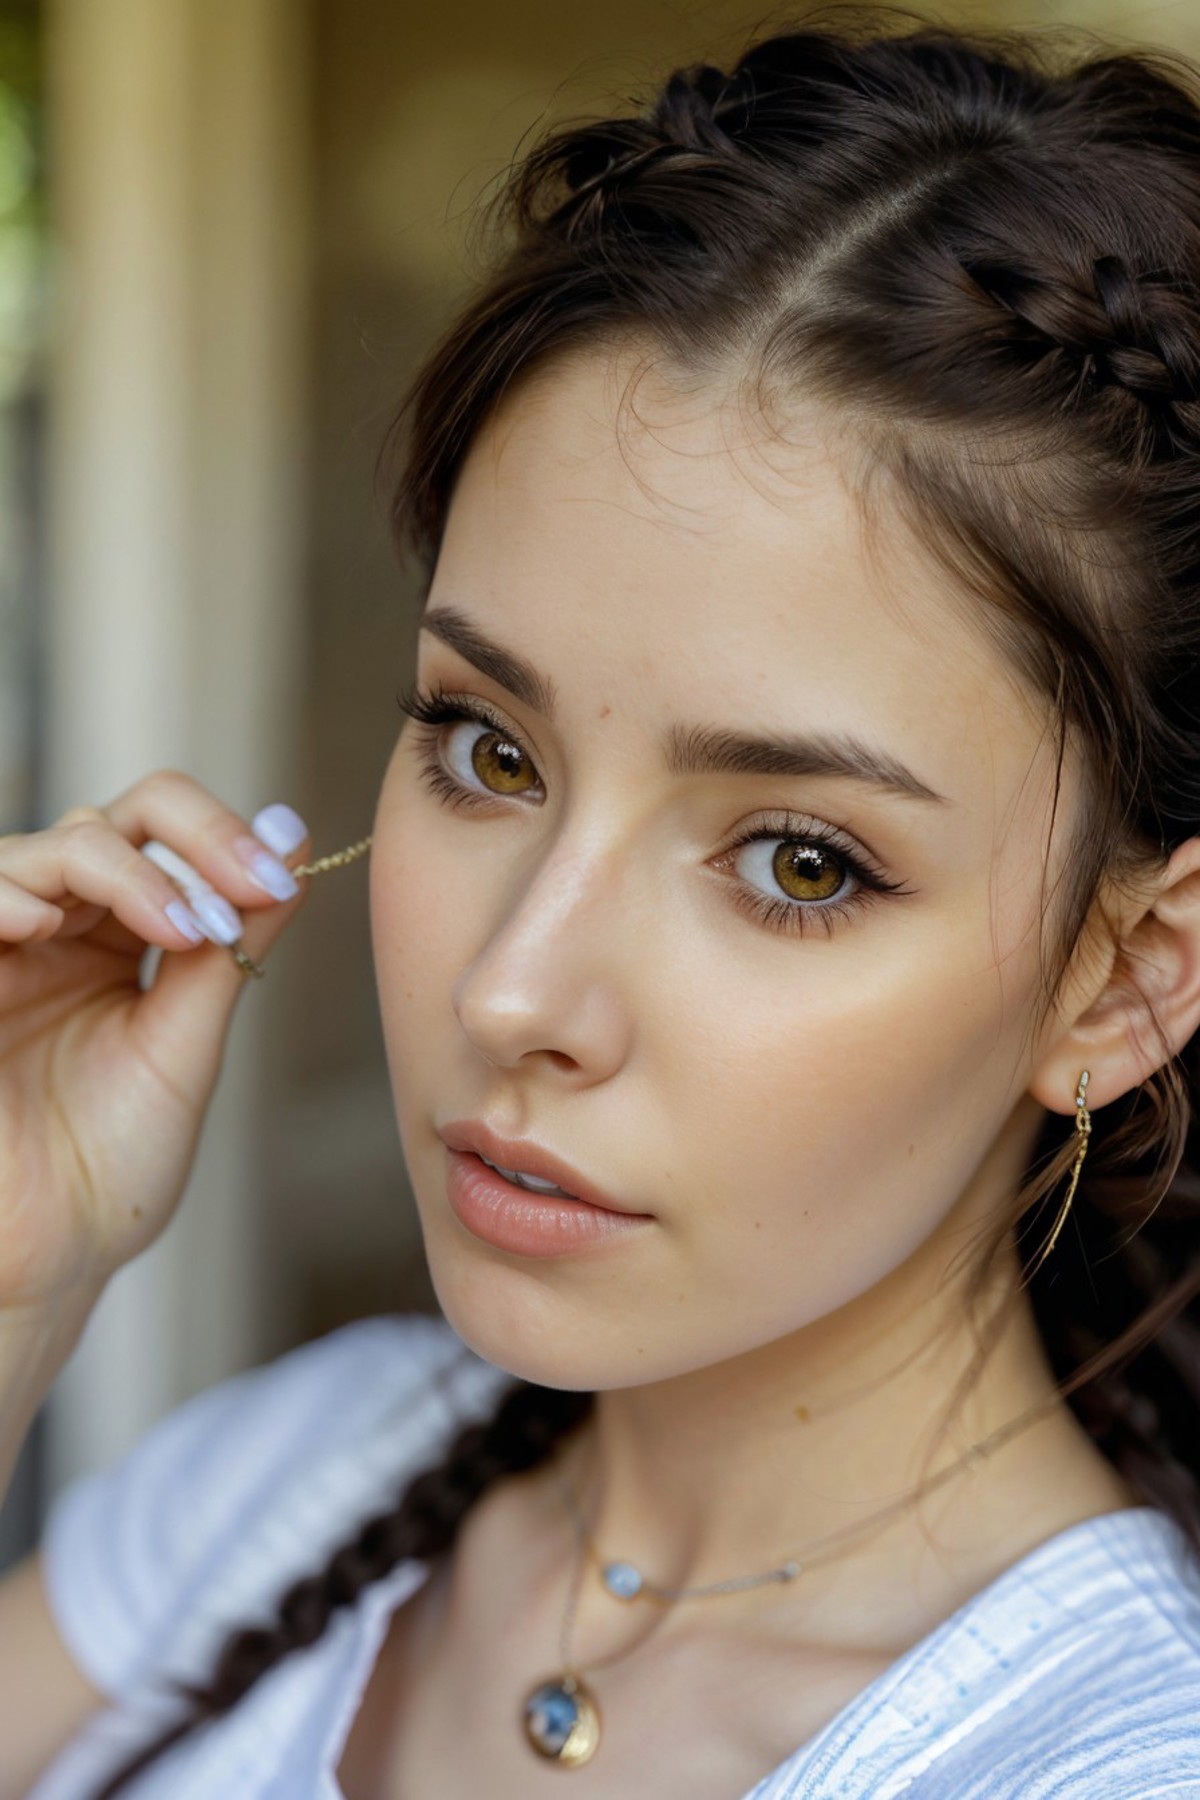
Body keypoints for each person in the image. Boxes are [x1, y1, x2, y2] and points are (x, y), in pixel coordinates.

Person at [3, 6, 1200, 1795]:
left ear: (1125, 980)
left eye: (800, 861)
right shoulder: (285, 1477)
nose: (513, 991)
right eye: (489, 751)